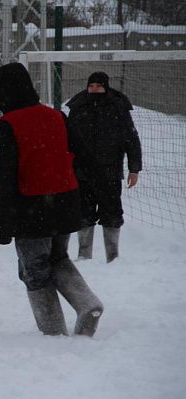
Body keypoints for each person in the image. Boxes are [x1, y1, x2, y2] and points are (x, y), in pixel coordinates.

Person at [0, 63, 103, 337]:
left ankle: (53, 335)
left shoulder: (9, 124)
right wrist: (87, 201)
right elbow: (85, 159)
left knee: (35, 269)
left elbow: (5, 179)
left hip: (31, 208)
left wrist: (2, 228)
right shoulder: (57, 116)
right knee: (57, 257)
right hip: (65, 203)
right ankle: (87, 303)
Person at [66, 71, 142, 263]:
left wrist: (134, 168)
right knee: (84, 213)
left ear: (105, 87)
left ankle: (113, 256)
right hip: (82, 171)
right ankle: (84, 254)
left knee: (112, 213)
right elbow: (68, 139)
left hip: (110, 171)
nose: (94, 89)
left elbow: (131, 139)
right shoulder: (78, 106)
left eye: (98, 86)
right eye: (91, 86)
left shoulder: (117, 107)